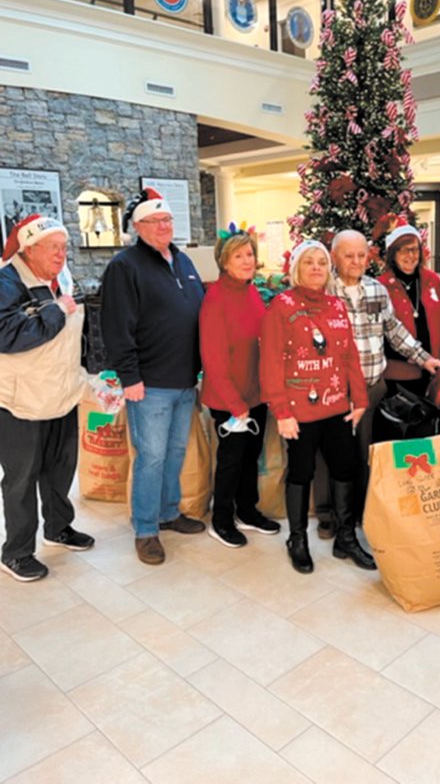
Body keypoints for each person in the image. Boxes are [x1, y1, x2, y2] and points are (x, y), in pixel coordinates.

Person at [101, 188, 205, 566]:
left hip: (184, 380)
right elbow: (116, 327)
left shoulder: (183, 261)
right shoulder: (125, 266)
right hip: (149, 383)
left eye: (168, 220)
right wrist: (130, 377)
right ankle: (146, 529)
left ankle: (168, 512)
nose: (164, 226)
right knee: (151, 457)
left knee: (175, 452)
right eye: (156, 221)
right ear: (138, 226)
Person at [260, 239, 375, 574]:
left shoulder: (336, 306)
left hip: (337, 406)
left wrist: (359, 399)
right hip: (299, 412)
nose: (316, 268)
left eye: (321, 263)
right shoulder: (281, 306)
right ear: (297, 268)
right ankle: (297, 539)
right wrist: (281, 412)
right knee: (301, 473)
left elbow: (348, 355)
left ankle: (345, 538)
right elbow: (270, 363)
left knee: (345, 468)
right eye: (308, 262)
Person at [0, 214, 94, 582]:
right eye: (53, 247)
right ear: (30, 248)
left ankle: (59, 527)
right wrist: (55, 312)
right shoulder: (7, 281)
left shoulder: (60, 278)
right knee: (21, 479)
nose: (61, 254)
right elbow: (6, 334)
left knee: (60, 470)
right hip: (21, 400)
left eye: (64, 247)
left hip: (60, 394)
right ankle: (17, 551)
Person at [327, 229, 440, 528]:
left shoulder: (377, 290)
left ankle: (362, 511)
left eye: (361, 255)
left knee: (367, 452)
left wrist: (423, 357)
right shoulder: (324, 290)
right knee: (331, 453)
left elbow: (394, 331)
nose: (356, 261)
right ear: (334, 257)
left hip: (372, 388)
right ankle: (330, 514)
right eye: (348, 255)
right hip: (335, 392)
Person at [200, 225, 280, 548]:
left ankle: (247, 511)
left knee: (251, 457)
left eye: (249, 254)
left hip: (255, 393)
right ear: (224, 260)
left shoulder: (251, 291)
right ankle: (221, 520)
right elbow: (214, 360)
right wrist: (236, 404)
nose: (247, 260)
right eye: (239, 255)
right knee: (231, 461)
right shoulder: (216, 299)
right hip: (228, 398)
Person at [378, 224, 440, 397]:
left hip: (434, 369)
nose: (410, 256)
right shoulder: (381, 286)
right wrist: (414, 358)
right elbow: (381, 334)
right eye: (404, 250)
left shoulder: (432, 280)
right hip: (400, 374)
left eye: (414, 250)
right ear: (393, 254)